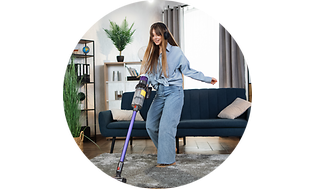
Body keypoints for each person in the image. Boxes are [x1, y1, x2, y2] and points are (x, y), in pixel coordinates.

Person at [140, 22, 217, 167]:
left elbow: (188, 70)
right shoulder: (152, 54)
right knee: (150, 125)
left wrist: (206, 79)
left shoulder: (176, 52)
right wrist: (142, 82)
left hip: (174, 92)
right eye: (152, 35)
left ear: (165, 34)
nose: (155, 37)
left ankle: (167, 162)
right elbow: (149, 75)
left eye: (157, 34)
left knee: (166, 127)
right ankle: (167, 149)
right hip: (159, 93)